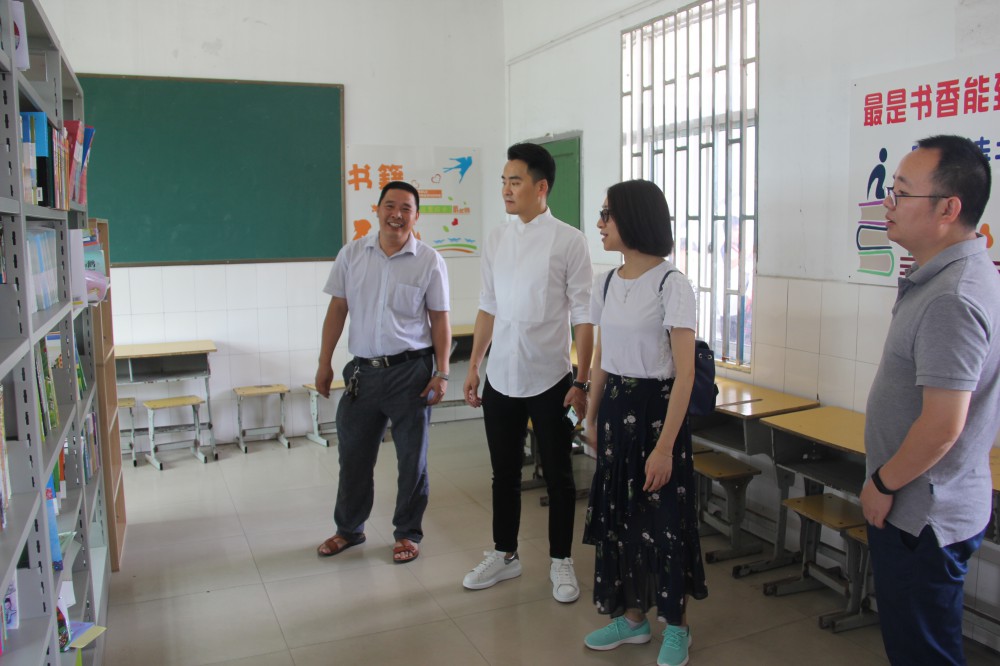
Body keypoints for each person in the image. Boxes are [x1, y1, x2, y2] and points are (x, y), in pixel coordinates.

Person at [861, 135, 1000, 665]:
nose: (888, 204)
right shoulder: (948, 278)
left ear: (948, 209)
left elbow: (943, 425)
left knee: (923, 654)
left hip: (922, 513)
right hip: (925, 504)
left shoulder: (953, 297)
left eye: (901, 193)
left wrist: (882, 483)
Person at [581, 180, 708, 666]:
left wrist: (664, 447)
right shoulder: (606, 282)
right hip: (616, 411)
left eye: (607, 214)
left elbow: (685, 374)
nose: (600, 224)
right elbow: (602, 360)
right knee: (622, 518)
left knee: (665, 522)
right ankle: (632, 619)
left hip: (658, 415)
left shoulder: (671, 284)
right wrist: (591, 417)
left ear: (633, 219)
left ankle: (676, 626)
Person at [462, 142, 594, 602]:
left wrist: (581, 381)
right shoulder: (497, 239)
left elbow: (584, 317)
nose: (506, 189)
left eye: (514, 181)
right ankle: (505, 554)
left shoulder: (569, 240)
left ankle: (561, 561)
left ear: (541, 187)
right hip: (501, 375)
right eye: (503, 181)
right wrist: (474, 364)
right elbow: (488, 307)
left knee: (559, 475)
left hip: (550, 378)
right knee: (503, 473)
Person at [315, 181, 451, 565]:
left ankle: (407, 533)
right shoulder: (352, 254)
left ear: (416, 216)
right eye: (390, 206)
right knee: (353, 457)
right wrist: (324, 362)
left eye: (406, 208)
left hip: (411, 373)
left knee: (412, 460)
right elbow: (337, 309)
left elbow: (440, 319)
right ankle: (348, 529)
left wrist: (442, 373)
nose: (397, 214)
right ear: (377, 210)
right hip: (362, 373)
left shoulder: (429, 260)